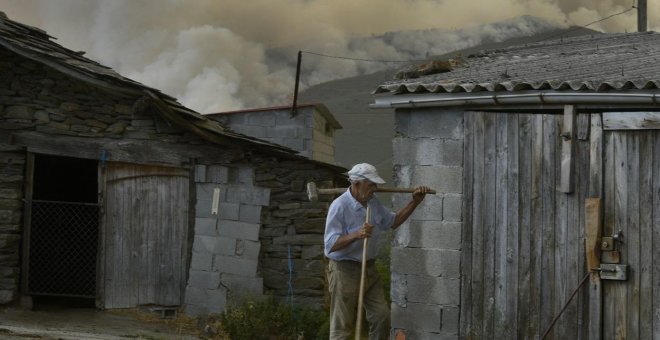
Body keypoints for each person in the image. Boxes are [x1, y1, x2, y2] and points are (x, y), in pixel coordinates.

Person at [324, 163, 430, 340]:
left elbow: (393, 222)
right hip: (344, 270)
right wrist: (357, 234)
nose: (375, 188)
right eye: (371, 184)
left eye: (375, 184)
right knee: (342, 326)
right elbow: (330, 245)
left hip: (369, 269)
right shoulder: (339, 206)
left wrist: (415, 202)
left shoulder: (372, 202)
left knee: (382, 317)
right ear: (357, 184)